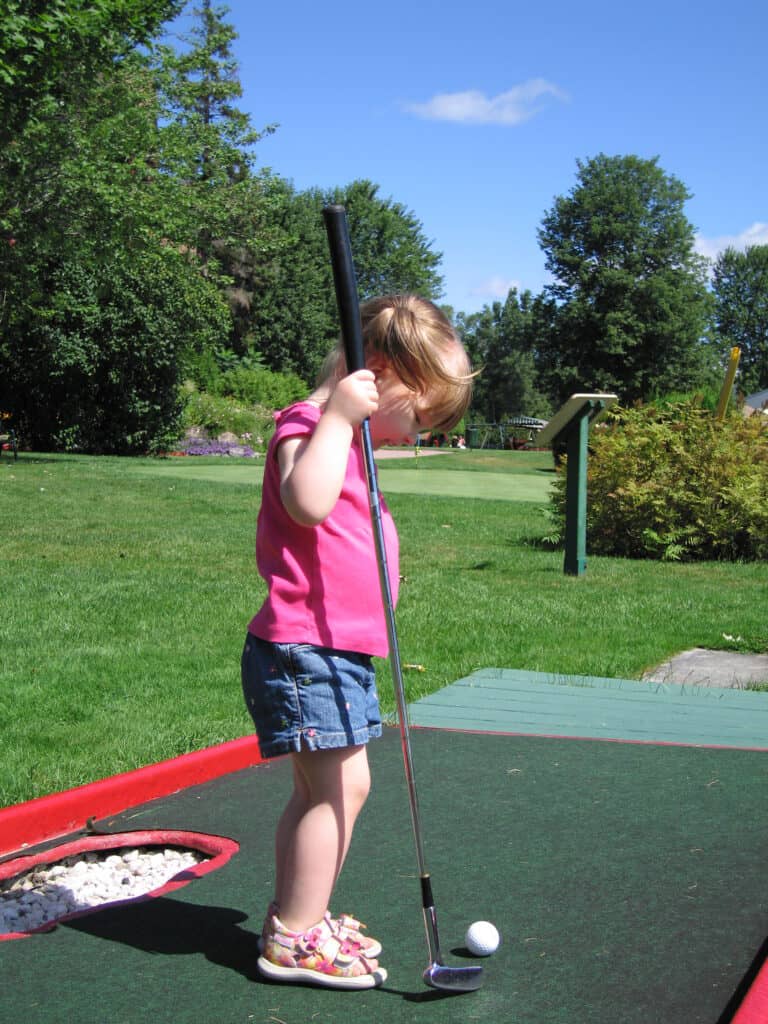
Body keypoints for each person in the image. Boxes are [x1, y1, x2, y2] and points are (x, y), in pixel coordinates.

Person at [241, 294, 474, 989]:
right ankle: (296, 937)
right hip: (307, 649)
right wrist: (340, 416)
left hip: (332, 651)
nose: (419, 433)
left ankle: (296, 916)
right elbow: (305, 503)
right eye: (422, 415)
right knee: (340, 790)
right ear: (381, 373)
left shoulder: (340, 435)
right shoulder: (309, 424)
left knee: (322, 791)